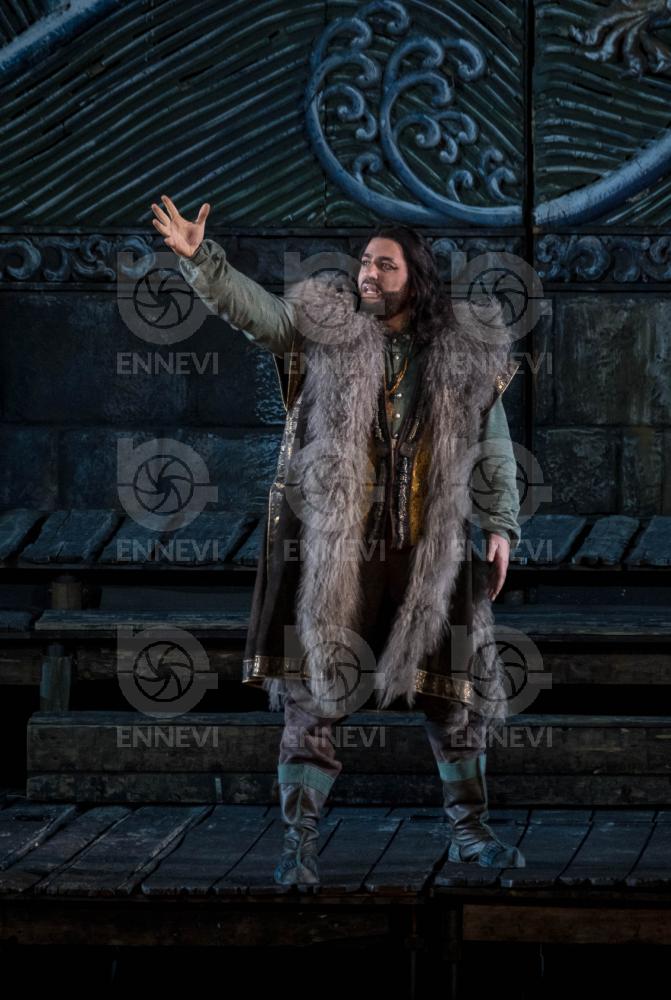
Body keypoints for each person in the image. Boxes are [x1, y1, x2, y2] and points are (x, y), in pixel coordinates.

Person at [150, 194, 526, 884]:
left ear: (416, 278)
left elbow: (491, 440)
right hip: (334, 552)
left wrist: (499, 525)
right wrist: (202, 260)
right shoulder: (325, 330)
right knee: (313, 697)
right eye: (364, 263)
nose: (367, 274)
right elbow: (259, 314)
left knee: (454, 695)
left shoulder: (460, 351)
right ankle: (298, 843)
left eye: (384, 266)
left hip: (426, 551)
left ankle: (470, 834)